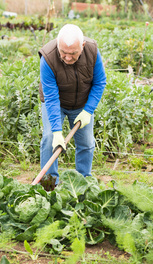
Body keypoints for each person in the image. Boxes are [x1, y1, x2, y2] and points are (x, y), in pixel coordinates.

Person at [39, 24, 106, 183]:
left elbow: (99, 82)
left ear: (82, 46)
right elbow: (51, 97)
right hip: (56, 103)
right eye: (63, 52)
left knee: (87, 142)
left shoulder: (92, 51)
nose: (68, 57)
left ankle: (83, 181)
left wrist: (88, 111)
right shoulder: (47, 57)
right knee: (49, 139)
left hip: (81, 104)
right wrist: (56, 131)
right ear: (57, 45)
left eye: (73, 53)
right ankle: (50, 182)